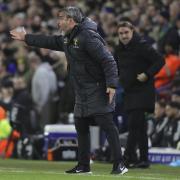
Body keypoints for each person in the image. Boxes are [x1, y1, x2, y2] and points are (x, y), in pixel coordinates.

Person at [10, 6, 128, 175]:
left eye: (61, 18)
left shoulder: (88, 37)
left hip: (97, 88)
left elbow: (108, 60)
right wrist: (26, 38)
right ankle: (83, 165)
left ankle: (120, 164)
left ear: (71, 21)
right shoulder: (68, 38)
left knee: (107, 125)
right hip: (81, 90)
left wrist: (112, 85)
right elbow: (49, 41)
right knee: (80, 126)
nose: (58, 22)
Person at [114, 21, 164, 168]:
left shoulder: (142, 46)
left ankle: (128, 157)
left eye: (126, 32)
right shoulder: (119, 49)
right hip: (129, 91)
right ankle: (143, 159)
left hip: (143, 91)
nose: (124, 36)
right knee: (140, 127)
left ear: (132, 31)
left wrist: (147, 74)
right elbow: (116, 66)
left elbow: (160, 60)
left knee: (134, 125)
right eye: (121, 33)